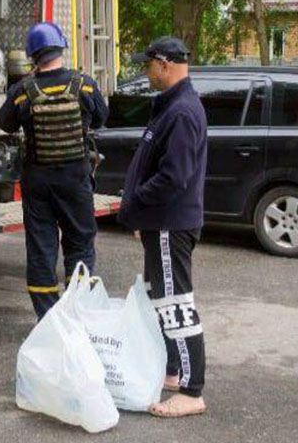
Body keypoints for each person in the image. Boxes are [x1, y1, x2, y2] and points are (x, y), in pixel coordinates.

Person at [118, 36, 208, 418]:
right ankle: (173, 371)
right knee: (162, 300)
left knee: (176, 304)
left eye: (148, 65)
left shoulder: (182, 112)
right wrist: (143, 217)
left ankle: (192, 390)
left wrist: (138, 202)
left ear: (164, 64)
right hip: (160, 222)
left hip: (171, 223)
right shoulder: (170, 107)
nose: (146, 72)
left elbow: (175, 177)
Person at [0, 21, 108, 319]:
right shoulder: (84, 84)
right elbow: (101, 118)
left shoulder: (23, 92)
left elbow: (3, 123)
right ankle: (78, 315)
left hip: (38, 182)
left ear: (33, 55)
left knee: (41, 248)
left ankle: (49, 320)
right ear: (61, 47)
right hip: (75, 180)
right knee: (80, 243)